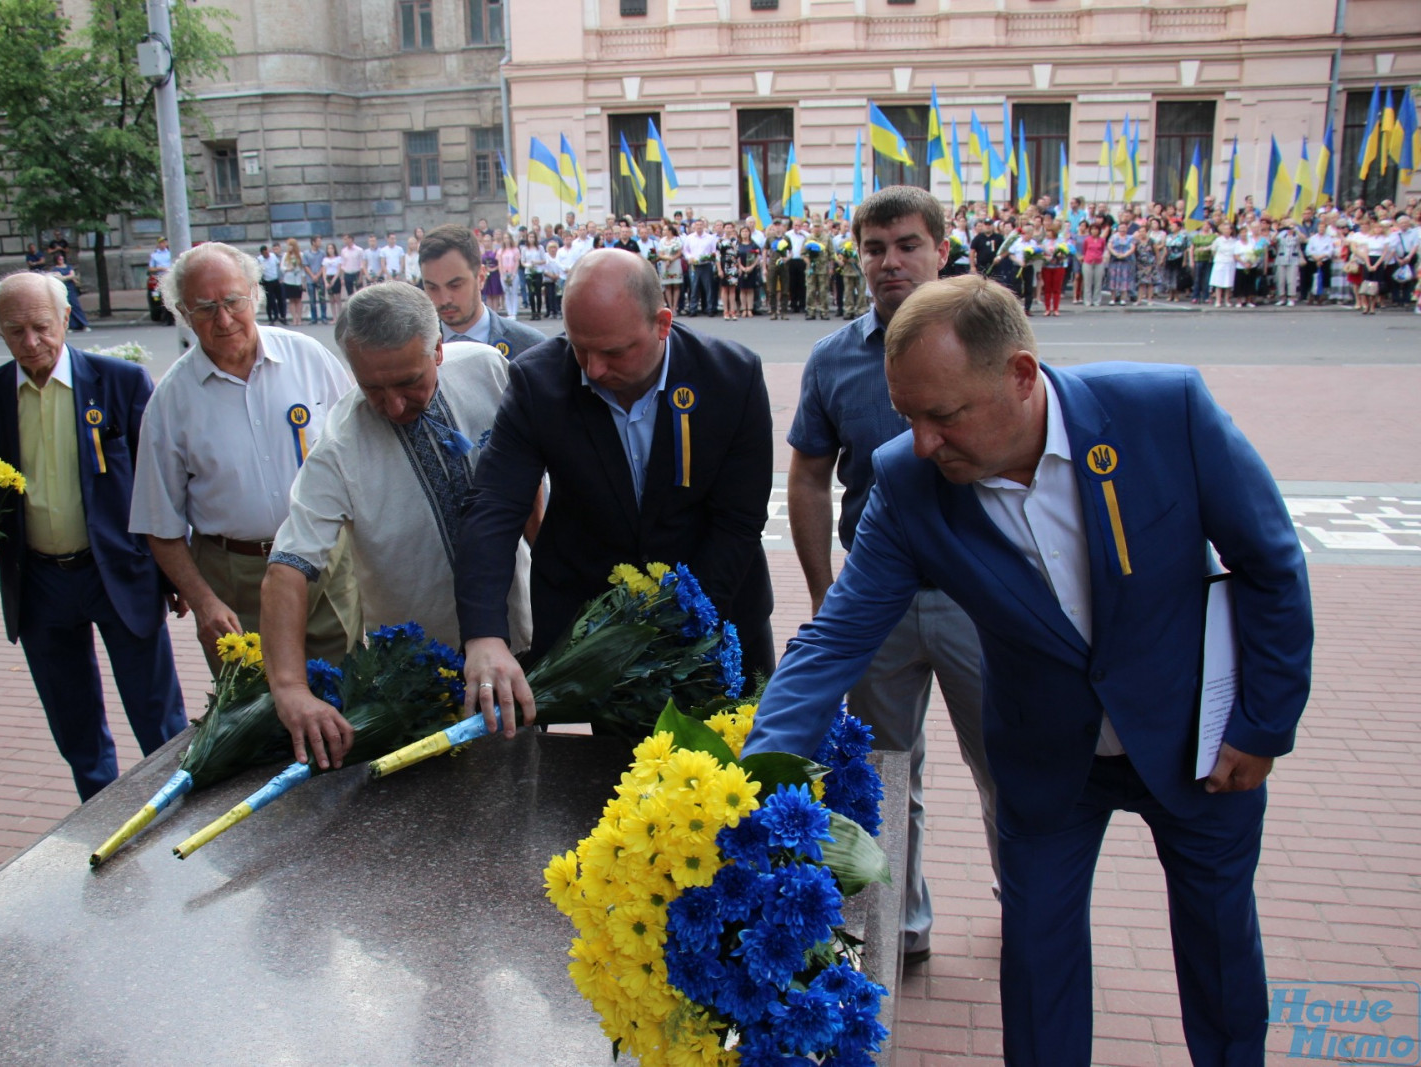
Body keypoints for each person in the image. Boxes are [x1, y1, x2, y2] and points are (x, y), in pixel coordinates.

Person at [744, 273, 1312, 1067]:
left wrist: (1264, 723)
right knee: (1038, 964)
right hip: (1049, 763)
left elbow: (1271, 565)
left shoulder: (1164, 413)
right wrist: (751, 775)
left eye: (943, 416)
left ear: (1019, 374)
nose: (924, 442)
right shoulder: (909, 482)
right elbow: (836, 637)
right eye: (909, 416)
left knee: (1219, 949)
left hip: (1200, 744)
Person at [786, 187, 1000, 966]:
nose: (889, 262)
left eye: (907, 244)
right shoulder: (835, 358)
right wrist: (822, 593)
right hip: (876, 602)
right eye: (874, 248)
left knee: (1003, 763)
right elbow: (808, 478)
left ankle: (1026, 891)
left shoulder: (987, 342)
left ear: (941, 248)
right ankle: (898, 925)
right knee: (882, 770)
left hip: (979, 598)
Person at [453, 249, 776, 732]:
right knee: (621, 782)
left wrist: (679, 628)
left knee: (741, 774)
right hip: (602, 629)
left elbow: (739, 521)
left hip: (718, 616)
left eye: (613, 352)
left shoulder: (733, 377)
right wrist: (483, 634)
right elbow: (495, 506)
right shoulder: (537, 381)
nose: (593, 370)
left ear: (662, 323)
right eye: (580, 348)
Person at [261, 282, 536, 768]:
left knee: (529, 775)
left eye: (409, 382)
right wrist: (288, 687)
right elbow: (288, 567)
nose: (392, 406)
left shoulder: (488, 369)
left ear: (438, 349)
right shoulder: (339, 450)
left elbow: (530, 476)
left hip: (524, 637)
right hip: (421, 671)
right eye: (372, 388)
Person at [0, 271, 186, 800]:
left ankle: (176, 808)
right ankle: (99, 816)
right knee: (75, 724)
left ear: (65, 318)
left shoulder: (120, 382)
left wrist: (174, 572)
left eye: (41, 326)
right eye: (15, 331)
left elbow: (161, 484)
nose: (31, 342)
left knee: (158, 717)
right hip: (37, 582)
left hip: (118, 574)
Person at [133, 242, 354, 674]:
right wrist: (204, 602)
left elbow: (363, 456)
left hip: (324, 562)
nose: (224, 318)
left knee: (351, 697)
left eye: (233, 300)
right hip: (235, 581)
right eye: (205, 307)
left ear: (255, 293)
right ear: (183, 311)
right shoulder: (171, 401)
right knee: (255, 716)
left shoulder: (309, 359)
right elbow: (159, 525)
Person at [418, 225, 544, 360]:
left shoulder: (531, 348)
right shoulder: (415, 350)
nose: (444, 300)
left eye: (455, 285)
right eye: (432, 288)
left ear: (481, 277)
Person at [52, 253, 90, 332]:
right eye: (59, 259)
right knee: (67, 307)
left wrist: (64, 277)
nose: (61, 260)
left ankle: (83, 324)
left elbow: (72, 275)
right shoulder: (55, 269)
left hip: (71, 289)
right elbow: (59, 278)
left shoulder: (68, 267)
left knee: (76, 306)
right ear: (56, 260)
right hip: (62, 289)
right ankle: (70, 326)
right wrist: (67, 277)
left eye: (62, 259)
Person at [716, 222, 741, 321]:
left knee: (732, 289)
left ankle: (732, 311)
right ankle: (725, 311)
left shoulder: (735, 241)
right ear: (724, 229)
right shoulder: (720, 241)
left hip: (733, 266)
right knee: (724, 289)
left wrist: (739, 267)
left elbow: (738, 255)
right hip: (724, 265)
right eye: (727, 227)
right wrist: (719, 269)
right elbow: (717, 257)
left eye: (730, 227)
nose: (728, 229)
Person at [281, 237, 306, 326]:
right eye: (288, 246)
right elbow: (282, 267)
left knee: (298, 300)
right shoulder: (285, 255)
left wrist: (303, 281)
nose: (289, 247)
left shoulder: (300, 255)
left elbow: (303, 269)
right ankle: (294, 318)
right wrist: (288, 269)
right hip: (289, 280)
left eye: (290, 246)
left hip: (298, 280)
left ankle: (299, 318)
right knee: (291, 300)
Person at [304, 236, 329, 325]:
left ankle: (324, 317)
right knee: (312, 300)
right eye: (318, 241)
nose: (320, 242)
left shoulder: (322, 253)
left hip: (320, 279)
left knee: (322, 299)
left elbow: (323, 265)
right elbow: (306, 266)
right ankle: (314, 318)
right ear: (313, 242)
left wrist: (317, 276)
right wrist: (312, 276)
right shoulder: (306, 253)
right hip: (310, 280)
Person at [258, 243, 283, 325]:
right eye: (265, 253)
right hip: (267, 282)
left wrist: (280, 277)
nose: (267, 254)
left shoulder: (273, 256)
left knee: (280, 298)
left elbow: (278, 265)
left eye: (267, 252)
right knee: (270, 300)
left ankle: (281, 316)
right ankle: (271, 317)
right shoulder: (260, 259)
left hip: (275, 280)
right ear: (262, 253)